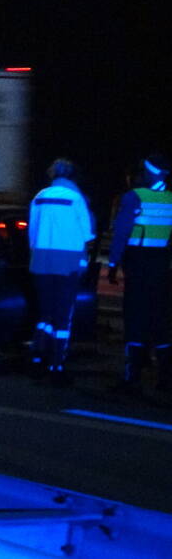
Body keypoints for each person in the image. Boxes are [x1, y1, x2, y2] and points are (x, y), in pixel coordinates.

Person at [107, 153, 172, 393]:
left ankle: (131, 376)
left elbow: (121, 234)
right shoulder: (170, 199)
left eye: (142, 171)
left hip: (138, 264)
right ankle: (165, 377)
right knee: (161, 321)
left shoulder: (134, 197)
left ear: (150, 173)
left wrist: (113, 265)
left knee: (135, 318)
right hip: (162, 266)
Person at [27, 158, 94, 384]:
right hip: (67, 262)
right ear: (72, 176)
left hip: (41, 260)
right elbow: (87, 234)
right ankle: (57, 365)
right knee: (63, 317)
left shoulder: (39, 197)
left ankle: (37, 358)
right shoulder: (76, 198)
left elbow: (32, 232)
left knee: (44, 314)